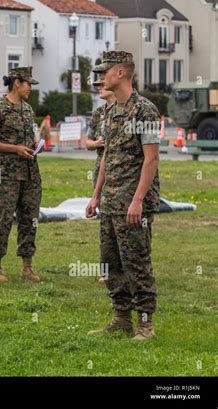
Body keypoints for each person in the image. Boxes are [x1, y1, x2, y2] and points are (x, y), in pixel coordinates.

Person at [86, 51, 161, 341]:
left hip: (133, 202)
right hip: (111, 200)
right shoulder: (111, 111)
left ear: (120, 73)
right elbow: (107, 156)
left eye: (104, 71)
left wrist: (138, 200)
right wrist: (95, 196)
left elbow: (151, 159)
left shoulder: (145, 110)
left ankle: (145, 324)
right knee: (110, 262)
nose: (100, 77)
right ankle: (121, 317)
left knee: (136, 262)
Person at [0, 67, 42, 283]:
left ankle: (27, 267)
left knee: (29, 219)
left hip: (29, 173)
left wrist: (34, 145)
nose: (30, 89)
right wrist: (15, 149)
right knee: (3, 219)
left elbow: (29, 137)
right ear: (17, 82)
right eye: (28, 84)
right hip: (5, 174)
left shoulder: (27, 110)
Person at [86, 80, 116, 187]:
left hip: (119, 172)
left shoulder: (125, 110)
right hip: (100, 171)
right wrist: (96, 144)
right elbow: (88, 142)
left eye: (102, 85)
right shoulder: (98, 113)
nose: (99, 88)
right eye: (97, 85)